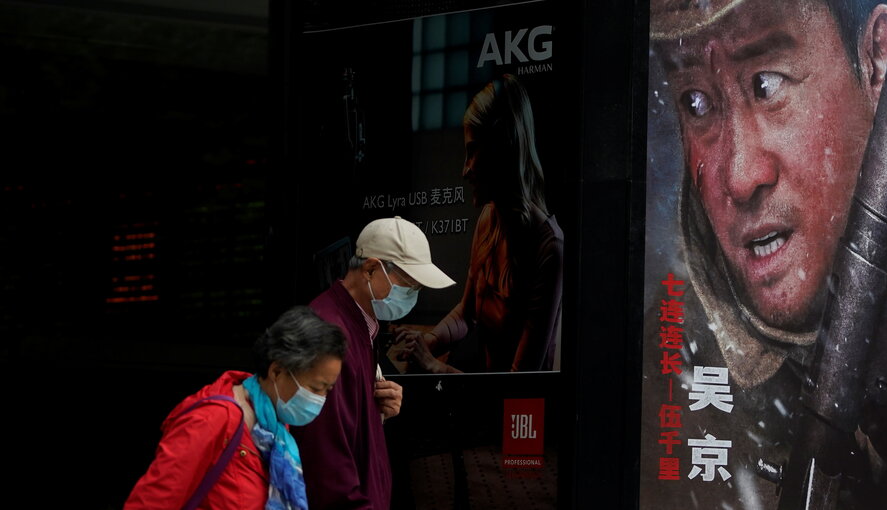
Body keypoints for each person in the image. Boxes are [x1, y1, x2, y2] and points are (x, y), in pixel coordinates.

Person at [646, 0, 887, 507]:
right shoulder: (660, 372)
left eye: (767, 84)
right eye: (696, 103)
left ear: (879, 61)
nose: (740, 177)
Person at [397, 73, 564, 374]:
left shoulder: (549, 248)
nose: (464, 170)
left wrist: (433, 367)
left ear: (504, 148)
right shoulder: (489, 218)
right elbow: (467, 313)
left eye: (473, 152)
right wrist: (428, 341)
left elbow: (518, 381)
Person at [291, 216, 455, 510]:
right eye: (409, 285)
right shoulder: (328, 337)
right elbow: (326, 465)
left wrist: (373, 409)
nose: (413, 295)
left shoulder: (358, 325)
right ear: (370, 269)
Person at [125, 306, 348, 510]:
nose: (320, 398)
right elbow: (152, 502)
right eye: (316, 387)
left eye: (328, 389)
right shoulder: (213, 419)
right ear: (277, 371)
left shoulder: (274, 428)